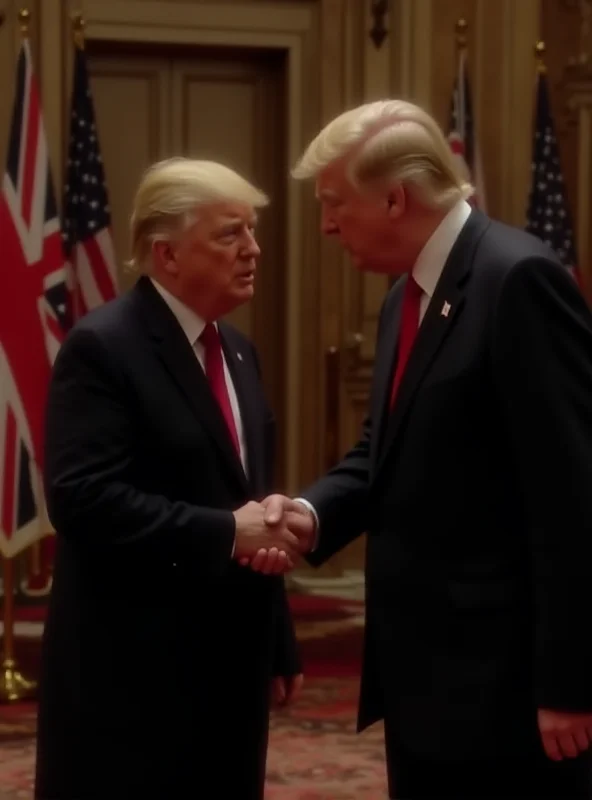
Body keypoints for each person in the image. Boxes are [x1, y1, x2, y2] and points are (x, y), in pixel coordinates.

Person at [254, 100, 592, 798]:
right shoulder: (403, 296)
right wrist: (312, 514)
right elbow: (390, 445)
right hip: (426, 681)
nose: (325, 224)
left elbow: (573, 497)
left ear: (394, 198)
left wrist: (570, 682)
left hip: (509, 691)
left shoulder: (517, 281)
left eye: (333, 203)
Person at [35, 158, 307, 800]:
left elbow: (252, 505)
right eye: (229, 234)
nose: (253, 250)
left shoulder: (238, 351)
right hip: (130, 671)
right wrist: (222, 533)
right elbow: (82, 500)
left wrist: (277, 636)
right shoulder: (103, 347)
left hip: (228, 663)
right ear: (167, 253)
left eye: (251, 231)